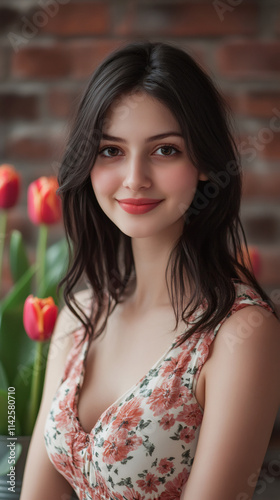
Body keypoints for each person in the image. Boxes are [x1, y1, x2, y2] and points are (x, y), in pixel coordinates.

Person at [20, 41, 280, 500]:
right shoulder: (80, 315)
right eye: (110, 151)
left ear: (204, 162)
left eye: (164, 151)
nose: (135, 178)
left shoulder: (242, 333)